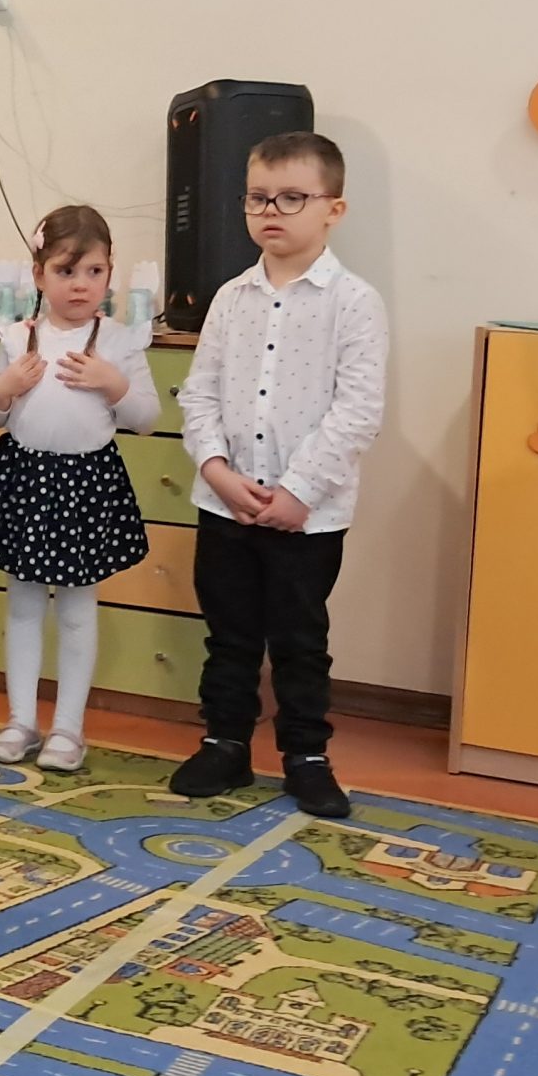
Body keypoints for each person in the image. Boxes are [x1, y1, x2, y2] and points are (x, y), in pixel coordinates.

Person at [171, 132, 388, 820]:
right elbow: (199, 394)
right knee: (229, 635)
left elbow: (358, 411)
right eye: (258, 198)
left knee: (299, 641)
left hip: (308, 515)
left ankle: (306, 756)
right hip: (225, 503)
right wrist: (217, 471)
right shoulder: (230, 298)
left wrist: (297, 493)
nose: (271, 211)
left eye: (292, 198)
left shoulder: (354, 302)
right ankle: (225, 743)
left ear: (333, 209)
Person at [0, 206, 160, 772]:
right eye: (66, 271)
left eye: (94, 272)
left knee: (76, 609)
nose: (80, 285)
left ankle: (68, 729)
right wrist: (4, 386)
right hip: (25, 479)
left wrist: (113, 384)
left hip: (86, 485)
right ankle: (21, 721)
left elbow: (147, 417)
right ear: (39, 274)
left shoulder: (119, 341)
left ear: (110, 273)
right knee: (23, 605)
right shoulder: (18, 336)